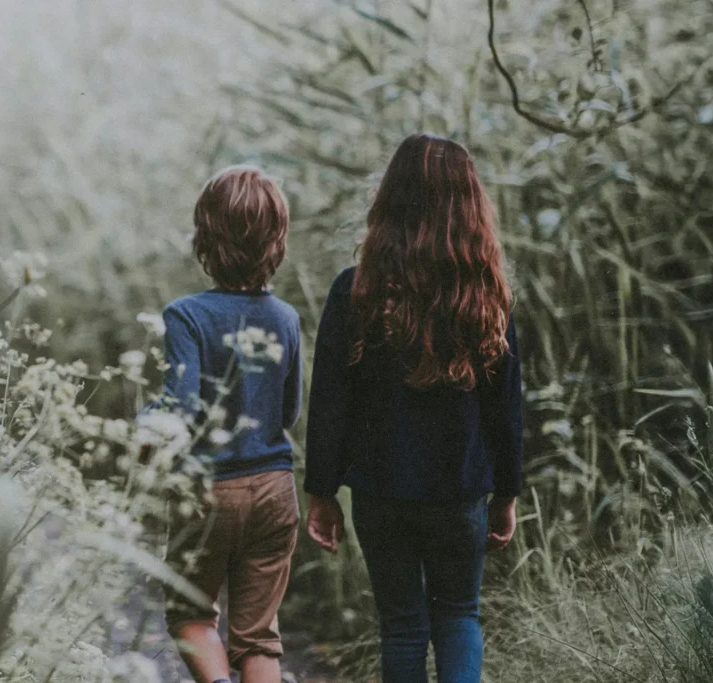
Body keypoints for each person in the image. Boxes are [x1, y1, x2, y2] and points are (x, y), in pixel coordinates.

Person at [303, 134, 523, 683]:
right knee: (458, 616)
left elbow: (329, 400)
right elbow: (506, 406)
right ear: (470, 207)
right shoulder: (486, 295)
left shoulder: (355, 292)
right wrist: (508, 493)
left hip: (381, 493)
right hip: (460, 491)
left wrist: (321, 491)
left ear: (389, 202)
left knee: (401, 626)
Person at [158, 165, 302, 683]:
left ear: (205, 235)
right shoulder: (286, 318)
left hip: (208, 489)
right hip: (274, 487)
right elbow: (289, 411)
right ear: (276, 240)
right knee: (258, 636)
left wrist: (143, 420)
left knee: (191, 614)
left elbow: (180, 411)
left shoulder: (186, 316)